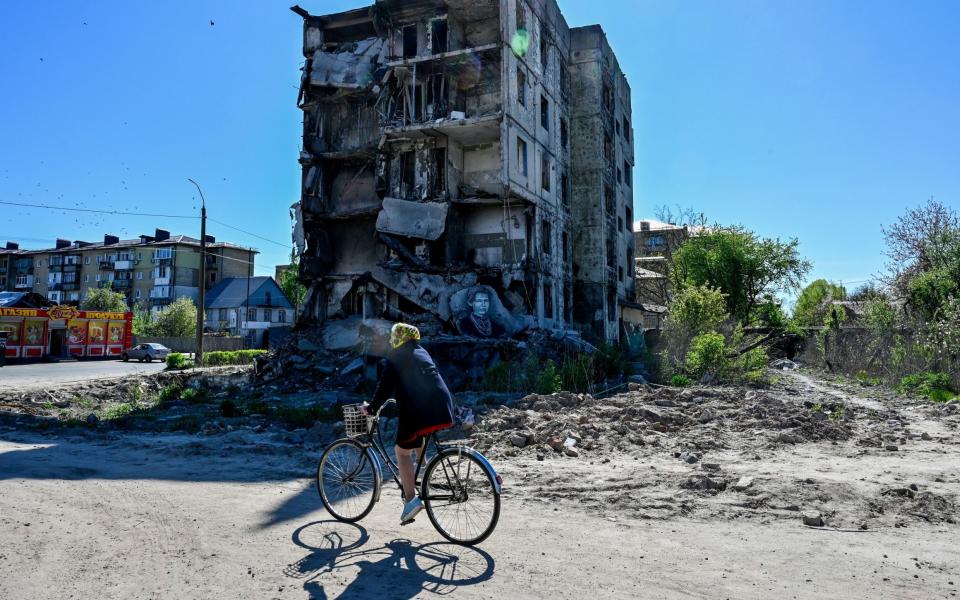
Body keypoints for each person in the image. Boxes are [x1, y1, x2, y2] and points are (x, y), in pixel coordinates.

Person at [365, 323, 455, 524]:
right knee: (417, 434)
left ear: (398, 337)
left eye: (392, 337)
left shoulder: (397, 356)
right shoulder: (420, 351)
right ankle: (422, 469)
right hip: (442, 404)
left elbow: (384, 386)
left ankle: (410, 501)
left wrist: (371, 408)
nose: (390, 340)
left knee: (401, 451)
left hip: (421, 408)